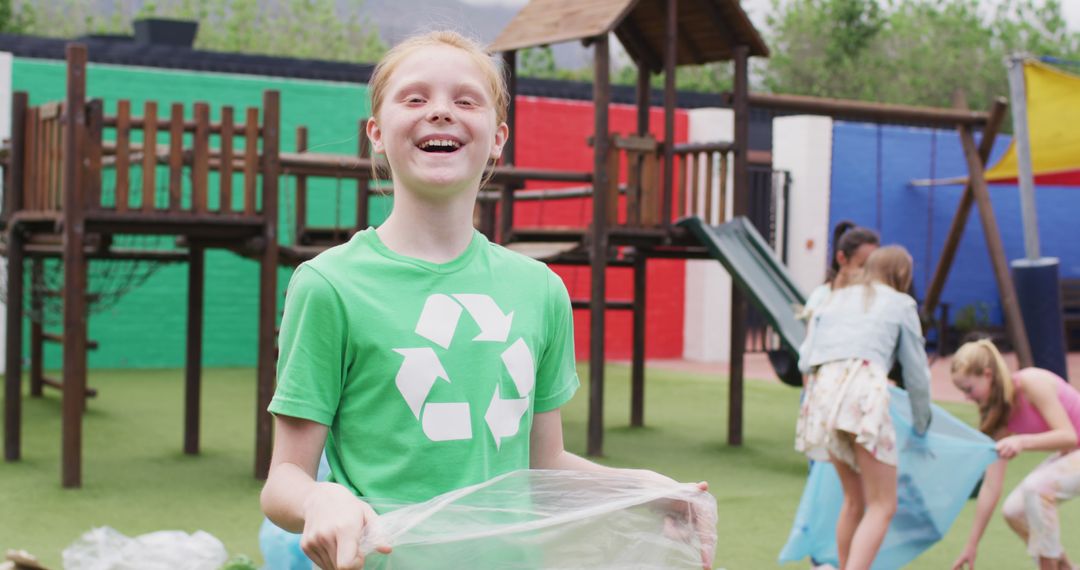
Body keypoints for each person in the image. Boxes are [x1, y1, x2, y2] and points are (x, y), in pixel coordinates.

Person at [259, 30, 710, 570]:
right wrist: (319, 497)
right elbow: (284, 480)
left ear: (498, 138)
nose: (442, 112)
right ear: (377, 133)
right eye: (415, 98)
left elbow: (543, 463)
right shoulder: (329, 285)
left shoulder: (540, 290)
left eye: (466, 99)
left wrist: (641, 486)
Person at [796, 246, 932, 570]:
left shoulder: (833, 297)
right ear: (902, 275)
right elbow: (916, 373)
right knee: (883, 504)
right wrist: (922, 423)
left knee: (854, 500)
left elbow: (804, 359)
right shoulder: (902, 303)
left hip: (822, 395)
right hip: (862, 392)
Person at [949, 340, 1080, 570]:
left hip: (1073, 447)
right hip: (1072, 454)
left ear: (988, 374)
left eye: (969, 389)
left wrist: (1022, 441)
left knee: (1037, 489)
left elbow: (1069, 436)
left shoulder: (1031, 382)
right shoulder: (999, 420)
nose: (967, 398)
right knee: (1014, 511)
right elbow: (991, 486)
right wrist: (971, 545)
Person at [801, 221, 880, 320]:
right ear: (841, 258)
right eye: (862, 266)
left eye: (873, 267)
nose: (868, 274)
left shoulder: (878, 297)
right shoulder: (821, 297)